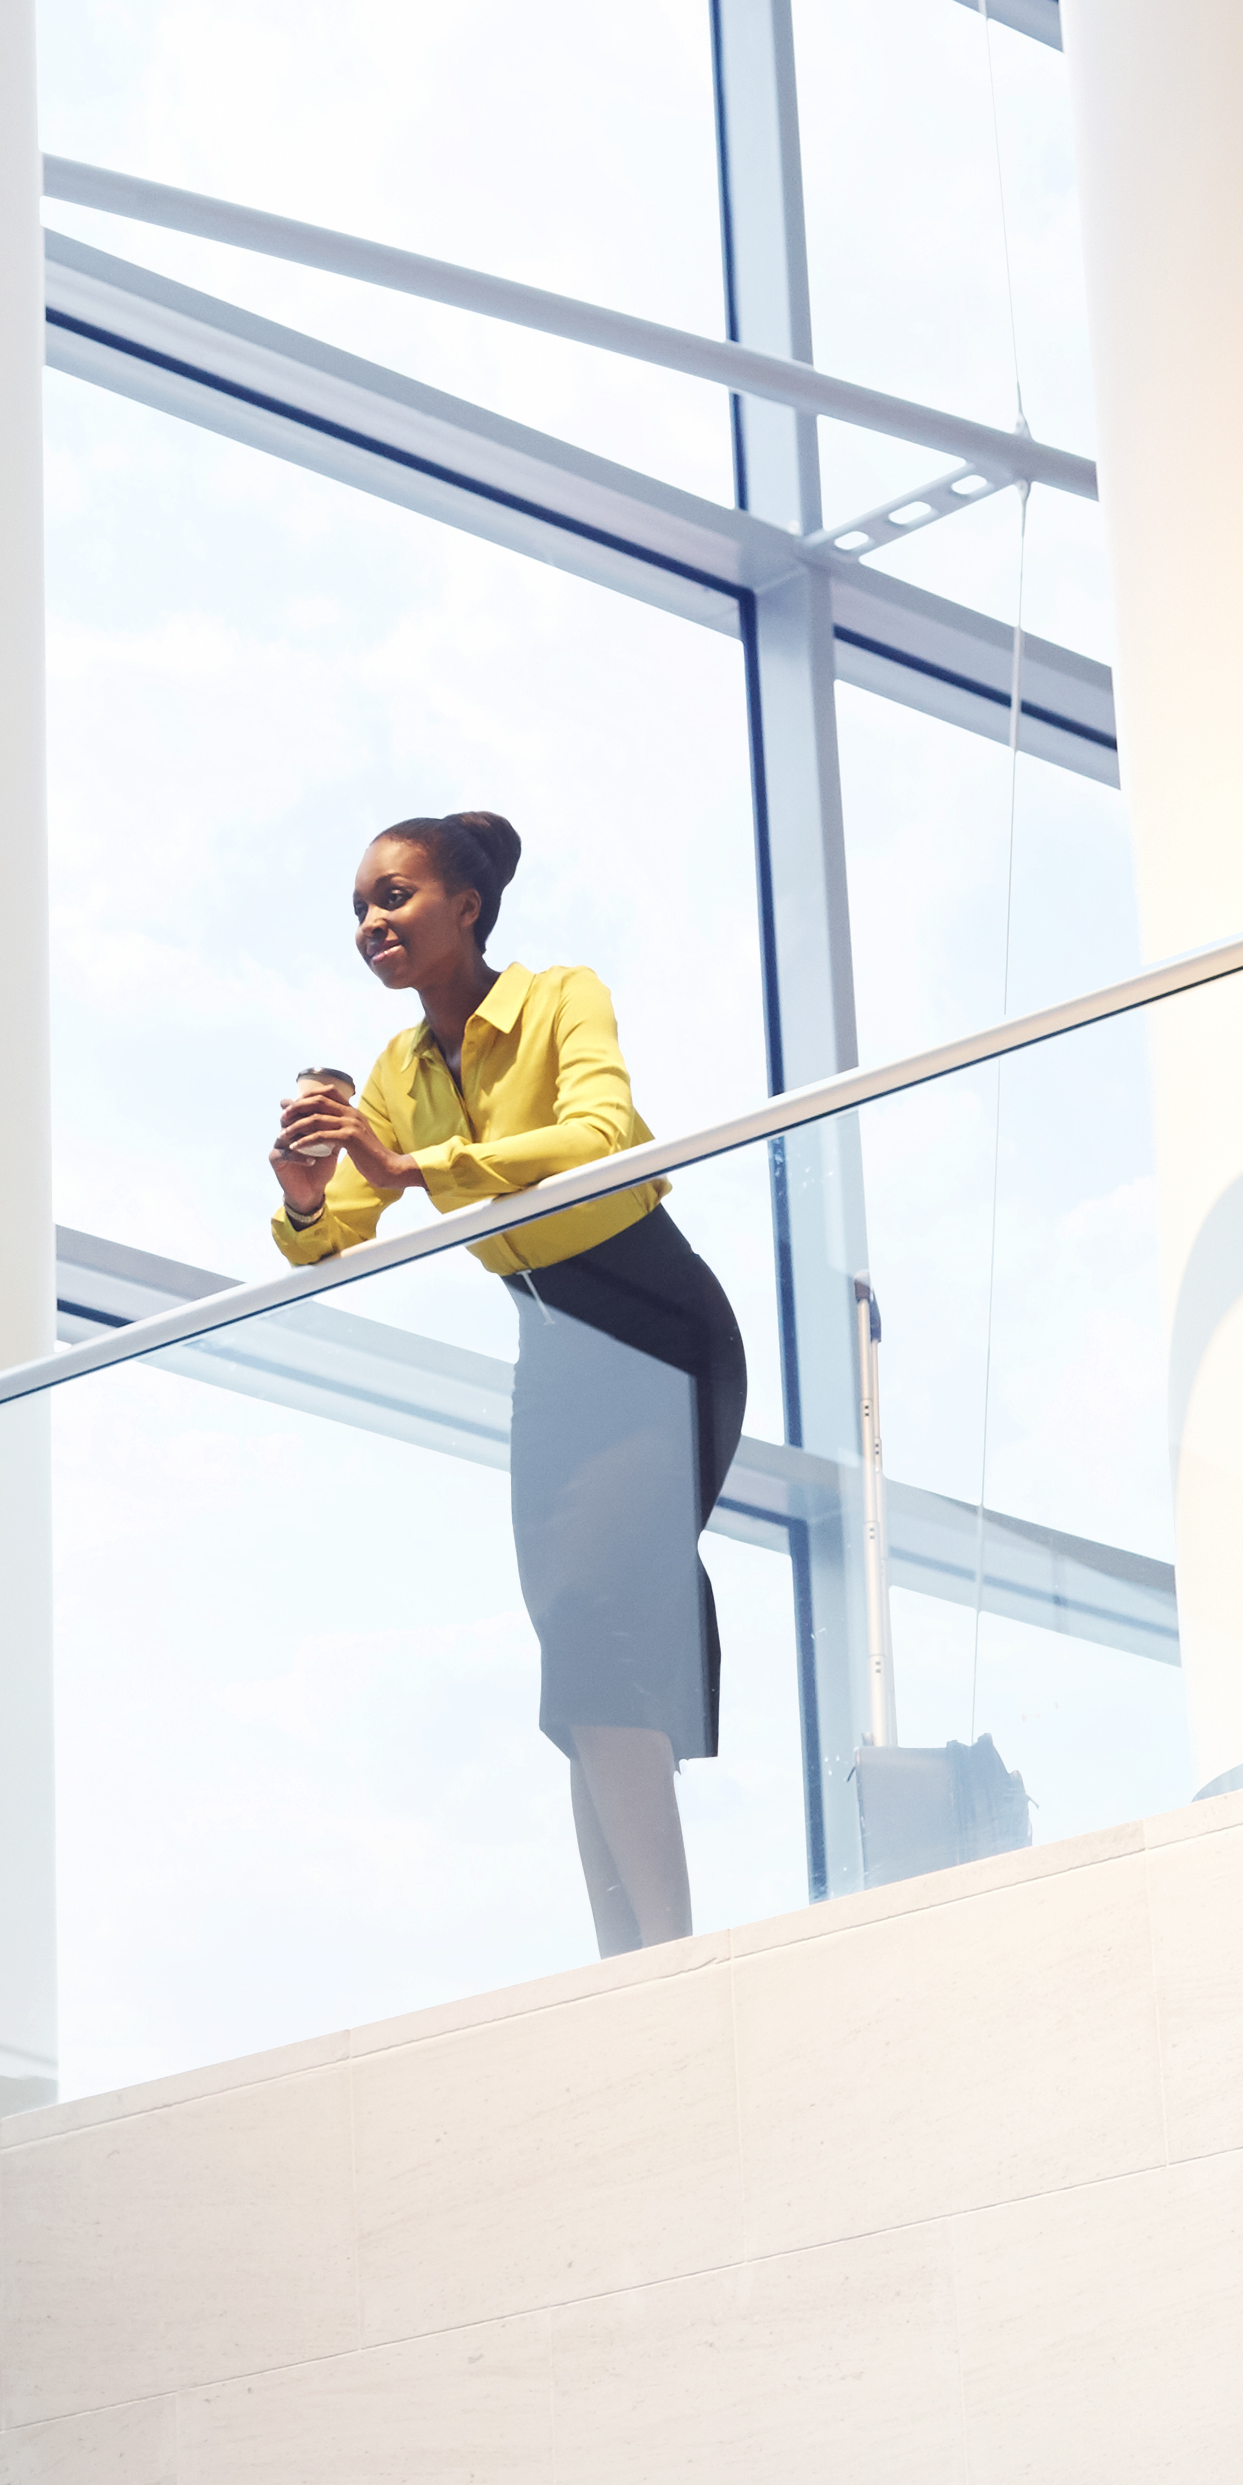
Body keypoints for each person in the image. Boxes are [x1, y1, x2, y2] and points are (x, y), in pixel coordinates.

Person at [269, 811, 750, 1959]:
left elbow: (598, 1131)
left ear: (466, 906)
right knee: (577, 1647)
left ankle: (670, 1945)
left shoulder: (555, 997)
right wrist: (302, 1193)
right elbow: (333, 1232)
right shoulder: (397, 1070)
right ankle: (628, 1952)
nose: (372, 923)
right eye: (359, 910)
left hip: (655, 1320)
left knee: (594, 1623)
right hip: (556, 1351)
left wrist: (423, 1166)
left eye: (394, 897)